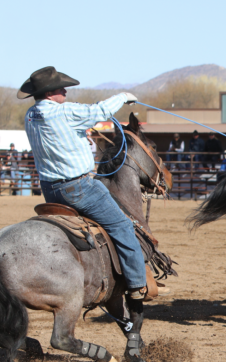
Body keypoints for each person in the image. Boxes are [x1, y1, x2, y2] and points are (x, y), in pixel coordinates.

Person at [19, 66, 148, 299]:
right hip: (78, 188)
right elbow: (99, 111)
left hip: (50, 190)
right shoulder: (64, 112)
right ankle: (138, 283)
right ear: (50, 93)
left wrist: (79, 137)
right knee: (121, 225)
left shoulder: (30, 115)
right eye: (61, 88)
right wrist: (124, 97)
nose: (65, 91)